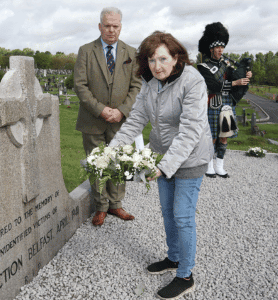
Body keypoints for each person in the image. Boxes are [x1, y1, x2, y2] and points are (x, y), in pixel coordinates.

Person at [109, 31, 213, 299]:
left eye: (163, 59)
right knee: (167, 213)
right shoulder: (150, 83)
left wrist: (164, 166)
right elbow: (135, 120)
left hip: (190, 158)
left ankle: (186, 275)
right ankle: (174, 258)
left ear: (176, 57)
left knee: (182, 215)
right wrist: (111, 150)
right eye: (152, 60)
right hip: (162, 156)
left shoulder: (193, 81)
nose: (158, 66)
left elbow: (190, 130)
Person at [74, 7, 141, 226]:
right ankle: (100, 207)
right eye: (107, 25)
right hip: (93, 119)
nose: (111, 30)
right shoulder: (85, 51)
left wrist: (121, 110)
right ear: (100, 26)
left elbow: (136, 87)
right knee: (98, 164)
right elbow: (80, 85)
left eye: (116, 26)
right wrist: (101, 109)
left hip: (121, 121)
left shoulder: (131, 53)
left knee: (119, 163)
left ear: (121, 26)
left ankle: (116, 205)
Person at [197, 22, 252, 178]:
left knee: (224, 136)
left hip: (227, 104)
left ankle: (219, 165)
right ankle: (209, 166)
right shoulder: (203, 66)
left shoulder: (227, 65)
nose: (220, 50)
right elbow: (213, 86)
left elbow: (237, 78)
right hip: (213, 103)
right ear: (211, 48)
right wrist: (235, 83)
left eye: (222, 47)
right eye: (217, 47)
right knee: (212, 137)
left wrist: (246, 75)